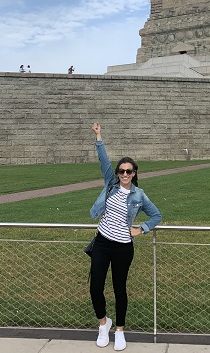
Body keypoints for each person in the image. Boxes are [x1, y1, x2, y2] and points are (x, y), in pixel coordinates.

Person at [89, 121, 162, 351]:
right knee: (95, 287)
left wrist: (141, 229)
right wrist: (99, 137)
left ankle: (119, 330)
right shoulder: (111, 184)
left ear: (134, 173)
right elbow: (103, 161)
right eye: (121, 170)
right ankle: (104, 324)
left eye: (128, 171)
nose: (124, 174)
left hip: (123, 247)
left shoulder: (139, 195)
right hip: (102, 242)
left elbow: (156, 215)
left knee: (119, 288)